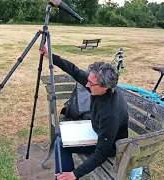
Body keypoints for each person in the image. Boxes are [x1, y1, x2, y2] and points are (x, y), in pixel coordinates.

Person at [40, 45, 129, 180]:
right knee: (60, 135)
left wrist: (75, 174)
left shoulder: (110, 113)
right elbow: (74, 70)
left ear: (105, 87)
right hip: (96, 131)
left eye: (91, 83)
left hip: (109, 147)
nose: (86, 85)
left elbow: (101, 153)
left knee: (60, 144)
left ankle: (64, 178)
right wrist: (50, 55)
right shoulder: (99, 88)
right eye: (88, 80)